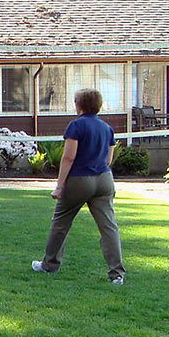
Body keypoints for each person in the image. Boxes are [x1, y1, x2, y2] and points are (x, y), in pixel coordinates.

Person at [31, 88, 126, 284]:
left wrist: (59, 186)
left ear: (79, 105)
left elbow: (68, 157)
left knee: (61, 223)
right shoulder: (107, 129)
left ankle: (49, 265)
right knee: (108, 227)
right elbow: (108, 159)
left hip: (79, 180)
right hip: (104, 180)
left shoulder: (76, 126)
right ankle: (117, 274)